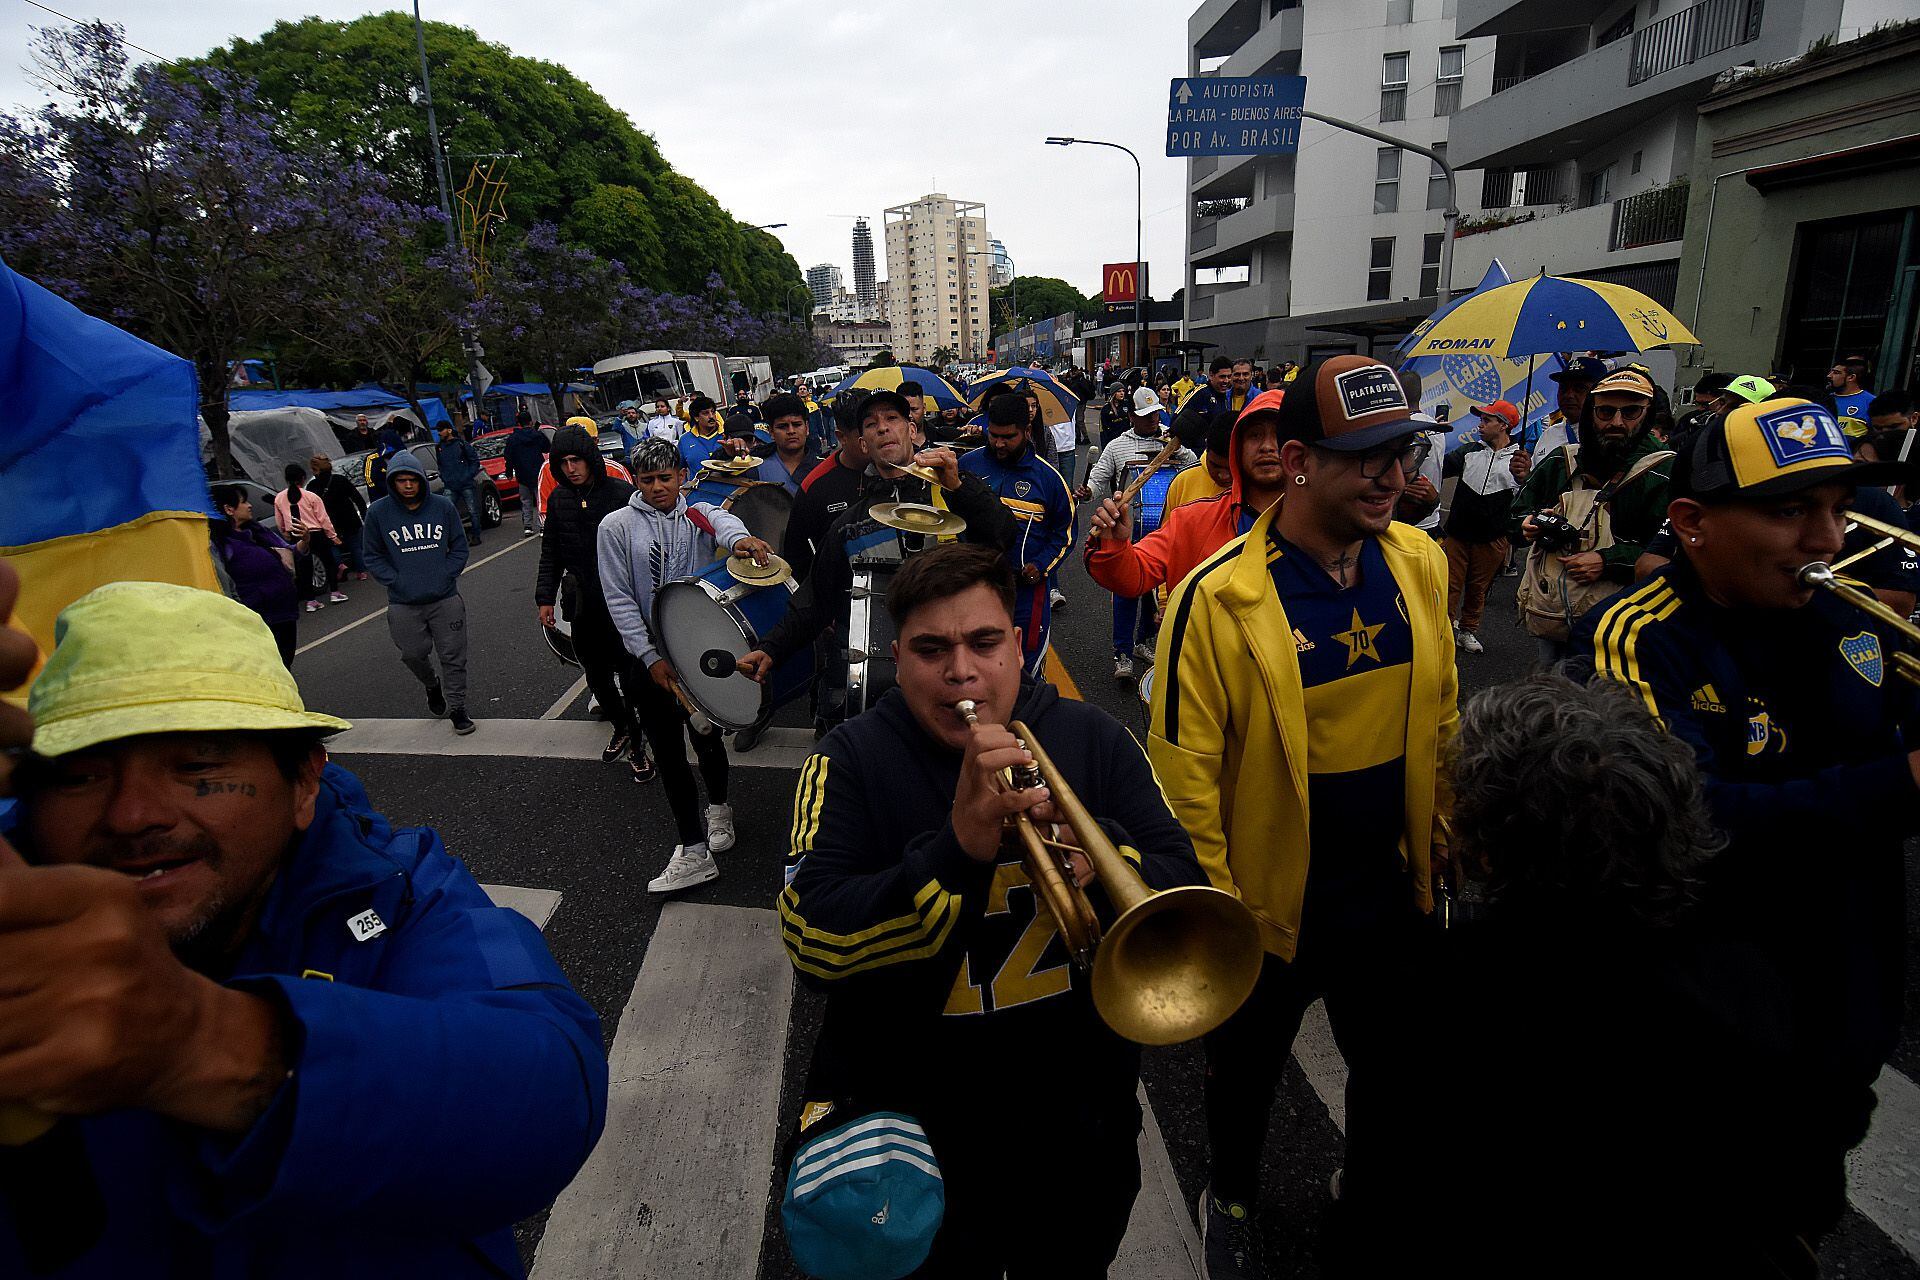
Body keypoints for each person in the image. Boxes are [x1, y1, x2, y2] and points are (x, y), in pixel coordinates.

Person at [0, 571, 606, 1277]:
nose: (134, 815)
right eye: (78, 777)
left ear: (305, 783)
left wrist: (208, 1044)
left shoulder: (396, 891)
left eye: (196, 765)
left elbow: (548, 1094)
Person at [778, 543, 1207, 1279]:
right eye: (931, 649)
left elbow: (1184, 886)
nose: (961, 673)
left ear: (1018, 642)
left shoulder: (1095, 739)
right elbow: (812, 940)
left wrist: (1110, 862)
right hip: (919, 1138)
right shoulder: (848, 759)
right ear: (897, 657)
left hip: (1081, 1126)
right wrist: (956, 848)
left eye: (983, 642)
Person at [1574, 398, 1919, 1255]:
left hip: (1842, 1006)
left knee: (1802, 1207)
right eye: (1788, 511)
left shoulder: (1853, 620)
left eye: (1839, 509)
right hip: (1702, 1034)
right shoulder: (1635, 637)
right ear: (1691, 523)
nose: (1829, 542)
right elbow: (1688, 820)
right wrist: (1901, 783)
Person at [1350, 674, 1828, 1277]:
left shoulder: (1429, 1000)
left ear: (1487, 842)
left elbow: (1382, 1206)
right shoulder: (1749, 977)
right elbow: (1801, 1192)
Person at [1148, 356, 1453, 1280]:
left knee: (1396, 1074)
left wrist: (1440, 837)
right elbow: (1185, 775)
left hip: (1392, 889)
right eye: (1363, 457)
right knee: (1243, 1076)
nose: (1390, 477)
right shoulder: (1215, 597)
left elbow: (1442, 713)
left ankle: (1364, 1198)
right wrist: (1218, 911)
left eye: (1398, 453)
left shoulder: (1420, 562)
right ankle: (1231, 1194)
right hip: (1269, 904)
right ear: (1295, 461)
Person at [739, 390, 1015, 702]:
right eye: (871, 424)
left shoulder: (955, 489)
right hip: (884, 677)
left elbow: (1004, 536)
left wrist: (960, 488)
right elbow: (815, 599)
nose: (882, 428)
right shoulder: (850, 525)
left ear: (911, 430)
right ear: (862, 444)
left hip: (960, 669)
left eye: (892, 418)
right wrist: (770, 648)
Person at [599, 438, 772, 892]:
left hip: (695, 652)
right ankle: (693, 848)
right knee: (669, 752)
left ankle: (719, 809)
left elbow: (722, 520)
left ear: (680, 476)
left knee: (707, 736)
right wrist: (649, 655)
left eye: (666, 478)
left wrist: (741, 540)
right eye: (647, 479)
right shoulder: (615, 527)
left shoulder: (694, 512)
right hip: (649, 660)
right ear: (635, 480)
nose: (658, 487)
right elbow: (618, 598)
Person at [1510, 366, 1673, 664]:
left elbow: (1671, 553)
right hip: (1554, 617)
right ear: (1592, 412)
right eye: (1606, 411)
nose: (1617, 422)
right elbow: (1513, 517)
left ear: (1648, 413)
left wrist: (1607, 561)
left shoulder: (1664, 472)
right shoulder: (1563, 460)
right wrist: (1529, 522)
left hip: (1626, 626)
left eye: (1631, 412)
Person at [1085, 397, 1285, 633]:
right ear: (1236, 447)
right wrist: (1113, 544)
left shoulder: (1325, 526)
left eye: (1280, 435)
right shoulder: (1191, 520)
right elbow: (1132, 574)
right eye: (1255, 435)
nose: (1267, 446)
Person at [536, 424, 654, 782]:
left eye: (577, 460)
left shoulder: (620, 493)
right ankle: (622, 727)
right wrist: (544, 598)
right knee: (596, 676)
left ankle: (637, 742)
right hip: (581, 600)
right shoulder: (559, 499)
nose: (571, 468)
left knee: (631, 676)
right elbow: (551, 552)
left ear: (590, 459)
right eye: (564, 462)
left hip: (621, 600)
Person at [1083, 385, 1197, 681]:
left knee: (1154, 590)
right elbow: (1099, 478)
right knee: (1126, 590)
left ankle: (1144, 640)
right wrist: (1088, 492)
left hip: (1163, 529)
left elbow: (1196, 467)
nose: (1152, 420)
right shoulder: (1117, 446)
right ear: (1131, 416)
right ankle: (1122, 651)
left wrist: (1178, 446)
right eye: (1145, 416)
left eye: (1156, 414)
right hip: (1128, 534)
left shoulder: (1173, 440)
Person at [360, 449, 475, 734]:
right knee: (412, 653)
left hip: (445, 597)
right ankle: (431, 684)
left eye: (413, 479)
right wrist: (395, 580)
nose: (408, 485)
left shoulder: (442, 507)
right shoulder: (378, 513)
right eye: (402, 481)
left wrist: (447, 573)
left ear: (422, 480)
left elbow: (459, 546)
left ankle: (458, 708)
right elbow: (372, 555)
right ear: (393, 483)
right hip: (404, 601)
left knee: (453, 656)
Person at [959, 393, 1074, 678]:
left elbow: (1064, 535)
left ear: (1026, 430)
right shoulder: (967, 466)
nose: (998, 443)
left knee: (1026, 669)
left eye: (1008, 437)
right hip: (975, 587)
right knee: (977, 665)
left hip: (1026, 592)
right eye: (993, 435)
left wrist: (1041, 565)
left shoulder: (1049, 480)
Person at [1440, 400, 1523, 654]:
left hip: (1492, 537)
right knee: (1449, 585)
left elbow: (1528, 497)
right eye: (1481, 419)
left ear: (1504, 425)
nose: (1480, 424)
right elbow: (1438, 467)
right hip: (1457, 533)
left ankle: (1468, 630)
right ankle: (1442, 631)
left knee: (1479, 589)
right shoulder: (1468, 451)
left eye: (1487, 420)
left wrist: (1524, 478)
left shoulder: (1519, 460)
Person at [210, 484, 301, 665]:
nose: (250, 505)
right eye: (243, 502)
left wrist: (304, 542)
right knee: (273, 666)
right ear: (228, 509)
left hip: (284, 610)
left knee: (285, 662)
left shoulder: (257, 532)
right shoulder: (220, 545)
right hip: (259, 617)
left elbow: (287, 550)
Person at [787, 398, 871, 583]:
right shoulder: (814, 486)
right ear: (841, 437)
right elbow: (797, 558)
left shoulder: (896, 470)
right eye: (865, 432)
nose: (877, 436)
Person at [276, 463, 348, 611]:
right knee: (328, 562)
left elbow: (280, 522)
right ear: (302, 479)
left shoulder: (279, 498)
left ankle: (311, 601)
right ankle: (335, 592)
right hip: (316, 533)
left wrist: (285, 533)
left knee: (304, 568)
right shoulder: (311, 496)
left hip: (296, 535)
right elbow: (323, 519)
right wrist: (333, 536)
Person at [1525, 355, 1607, 459]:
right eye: (1563, 388)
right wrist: (1526, 474)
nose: (1569, 395)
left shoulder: (1609, 436)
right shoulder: (1548, 436)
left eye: (1579, 388)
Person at [306, 453, 369, 580]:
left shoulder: (312, 486)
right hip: (350, 518)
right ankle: (361, 572)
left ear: (315, 469)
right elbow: (357, 499)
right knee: (355, 546)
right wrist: (364, 515)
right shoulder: (341, 479)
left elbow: (309, 507)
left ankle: (340, 565)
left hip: (330, 521)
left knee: (332, 546)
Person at [752, 392, 823, 495]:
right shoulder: (756, 467)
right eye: (782, 426)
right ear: (771, 431)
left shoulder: (822, 468)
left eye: (797, 425)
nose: (791, 431)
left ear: (806, 428)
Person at [1163, 412, 1233, 510]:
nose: (1223, 476)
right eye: (1215, 466)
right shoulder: (1183, 481)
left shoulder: (1257, 485)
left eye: (1231, 468)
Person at [1170, 356, 1238, 450]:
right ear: (1211, 375)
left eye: (1229, 377)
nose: (1226, 381)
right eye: (1222, 377)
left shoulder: (1227, 397)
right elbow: (1175, 420)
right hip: (1194, 457)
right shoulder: (1199, 393)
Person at [435, 422, 485, 547]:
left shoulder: (462, 445)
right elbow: (440, 464)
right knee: (446, 511)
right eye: (438, 430)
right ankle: (452, 539)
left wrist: (467, 476)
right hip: (450, 485)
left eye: (441, 430)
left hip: (465, 484)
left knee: (472, 511)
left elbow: (474, 462)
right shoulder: (439, 447)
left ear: (449, 430)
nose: (439, 433)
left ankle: (476, 536)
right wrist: (444, 477)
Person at [503, 410, 550, 536]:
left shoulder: (513, 438)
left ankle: (527, 526)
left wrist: (509, 471)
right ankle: (543, 526)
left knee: (525, 501)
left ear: (519, 423)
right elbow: (547, 448)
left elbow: (508, 456)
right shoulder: (537, 435)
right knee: (540, 500)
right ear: (530, 421)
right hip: (538, 472)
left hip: (522, 473)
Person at [1828, 356, 1874, 428]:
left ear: (1851, 377)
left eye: (1836, 373)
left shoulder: (1871, 402)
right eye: (1831, 372)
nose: (1829, 376)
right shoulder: (1824, 399)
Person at [1098, 382, 1132, 448]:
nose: (1122, 393)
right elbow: (1103, 430)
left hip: (1126, 441)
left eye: (1123, 391)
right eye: (1119, 391)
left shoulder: (1127, 404)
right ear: (1113, 393)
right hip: (1112, 441)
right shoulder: (1106, 409)